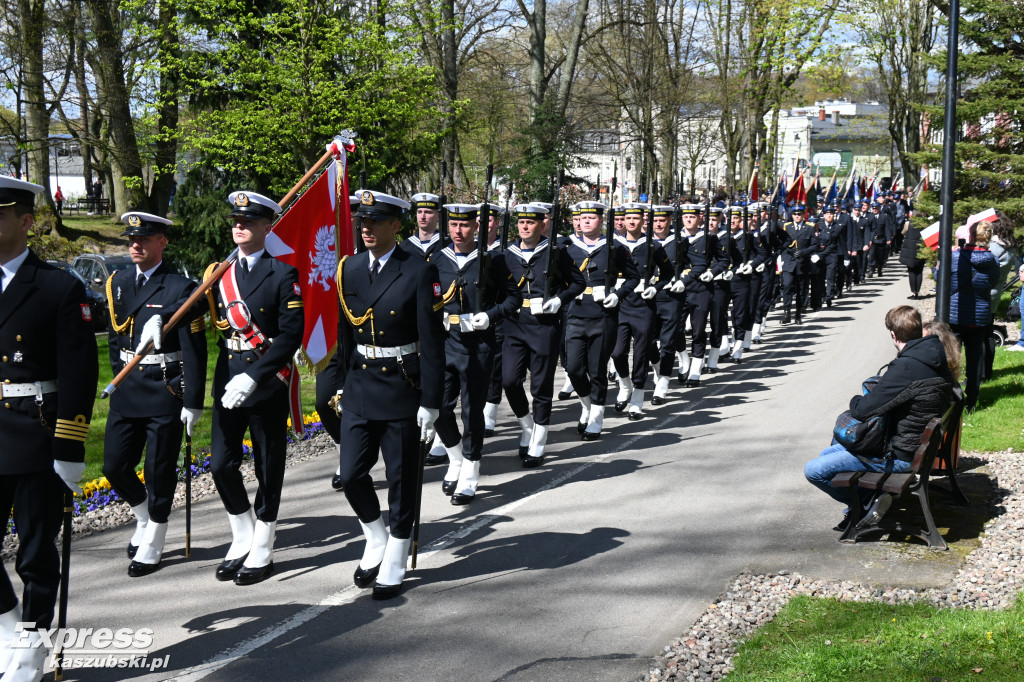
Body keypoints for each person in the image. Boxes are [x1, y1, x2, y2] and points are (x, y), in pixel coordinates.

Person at [0, 177, 98, 679]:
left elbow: (80, 373)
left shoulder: (59, 286)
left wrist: (69, 445)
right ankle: (9, 628)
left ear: (26, 220)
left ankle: (33, 650)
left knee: (36, 554)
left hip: (35, 435)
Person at [334, 189, 443, 600]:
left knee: (400, 478)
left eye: (375, 222)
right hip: (361, 382)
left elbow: (432, 342)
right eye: (362, 222)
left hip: (401, 384)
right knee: (350, 474)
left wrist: (431, 402)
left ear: (396, 226)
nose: (366, 229)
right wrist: (340, 380)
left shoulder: (417, 270)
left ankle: (396, 553)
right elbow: (347, 333)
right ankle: (375, 536)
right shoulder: (350, 269)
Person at [204, 190, 304, 585]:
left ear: (267, 226)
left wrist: (256, 374)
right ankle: (242, 534)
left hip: (265, 383)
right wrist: (159, 322)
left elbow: (290, 333)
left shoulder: (283, 274)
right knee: (220, 464)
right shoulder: (218, 274)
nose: (239, 226)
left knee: (267, 465)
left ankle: (263, 543)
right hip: (227, 377)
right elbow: (194, 311)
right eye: (235, 221)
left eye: (248, 221)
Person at [102, 211, 207, 577]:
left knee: (158, 469)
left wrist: (193, 400)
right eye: (131, 239)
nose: (135, 245)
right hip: (129, 389)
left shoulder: (180, 287)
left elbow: (195, 349)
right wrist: (120, 377)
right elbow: (116, 339)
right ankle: (143, 515)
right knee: (113, 466)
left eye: (144, 239)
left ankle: (156, 538)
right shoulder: (117, 283)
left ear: (161, 242)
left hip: (165, 388)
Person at [804, 306, 953, 529]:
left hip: (900, 456)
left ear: (893, 335)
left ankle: (864, 502)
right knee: (828, 452)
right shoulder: (934, 356)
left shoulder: (906, 366)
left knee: (814, 470)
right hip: (914, 448)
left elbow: (863, 410)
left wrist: (855, 399)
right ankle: (867, 501)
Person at [431, 203, 520, 502]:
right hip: (445, 343)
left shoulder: (492, 260)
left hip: (477, 344)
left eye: (465, 225)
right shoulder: (436, 259)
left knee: (472, 411)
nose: (458, 231)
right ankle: (456, 457)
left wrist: (491, 316)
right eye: (454, 225)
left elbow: (513, 298)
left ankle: (471, 468)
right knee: (438, 408)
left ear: (476, 227)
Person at [502, 203, 585, 466]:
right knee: (510, 381)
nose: (525, 227)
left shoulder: (556, 253)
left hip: (544, 324)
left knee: (541, 386)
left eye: (531, 222)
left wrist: (559, 300)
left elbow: (578, 283)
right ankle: (527, 426)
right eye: (521, 222)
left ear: (542, 224)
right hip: (514, 324)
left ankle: (538, 440)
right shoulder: (507, 254)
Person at [949, 222, 999, 412]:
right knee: (975, 359)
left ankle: (954, 396)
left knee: (952, 358)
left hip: (956, 315)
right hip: (978, 317)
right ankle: (972, 401)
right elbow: (993, 281)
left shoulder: (955, 256)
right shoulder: (992, 260)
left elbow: (941, 278)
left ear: (969, 235)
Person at [899, 211, 926, 299]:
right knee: (919, 271)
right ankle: (917, 291)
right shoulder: (924, 224)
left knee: (911, 271)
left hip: (910, 249)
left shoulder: (908, 223)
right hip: (921, 249)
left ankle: (913, 292)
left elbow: (903, 232)